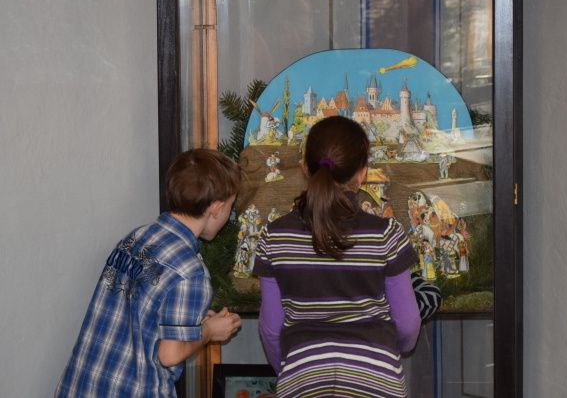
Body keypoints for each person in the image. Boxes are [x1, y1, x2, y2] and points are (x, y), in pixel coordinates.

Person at [253, 116, 421, 397]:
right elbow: (407, 323)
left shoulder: (274, 236)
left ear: (304, 166)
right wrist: (394, 349)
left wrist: (290, 369)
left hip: (303, 380)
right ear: (362, 173)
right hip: (377, 381)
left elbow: (271, 328)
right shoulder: (386, 234)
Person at [54, 148, 243, 398]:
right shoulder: (191, 272)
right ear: (217, 208)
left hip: (81, 386)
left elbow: (140, 306)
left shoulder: (137, 237)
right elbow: (170, 355)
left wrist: (192, 323)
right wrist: (209, 332)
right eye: (230, 206)